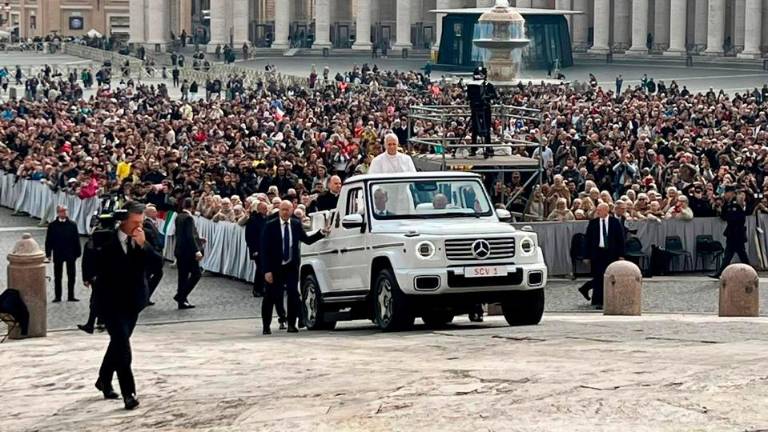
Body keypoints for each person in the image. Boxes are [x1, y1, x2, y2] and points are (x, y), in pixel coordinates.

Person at [93, 201, 162, 410]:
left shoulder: (143, 235)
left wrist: (143, 245)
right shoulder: (105, 237)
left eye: (141, 222)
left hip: (133, 301)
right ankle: (129, 393)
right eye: (134, 222)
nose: (138, 226)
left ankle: (104, 378)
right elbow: (92, 262)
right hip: (110, 300)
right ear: (123, 221)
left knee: (118, 343)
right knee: (122, 344)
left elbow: (157, 265)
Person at [260, 200, 328, 334]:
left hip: (291, 266)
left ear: (292, 210)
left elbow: (306, 240)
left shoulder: (296, 224)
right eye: (283, 210)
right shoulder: (270, 226)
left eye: (288, 210)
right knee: (271, 296)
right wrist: (267, 270)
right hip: (275, 266)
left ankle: (292, 324)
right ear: (279, 211)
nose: (285, 212)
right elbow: (264, 249)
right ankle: (266, 326)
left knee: (293, 294)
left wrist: (321, 233)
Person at [583, 203, 626, 308]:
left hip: (611, 253)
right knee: (598, 277)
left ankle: (610, 298)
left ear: (606, 210)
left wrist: (621, 255)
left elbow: (620, 239)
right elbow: (587, 240)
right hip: (597, 253)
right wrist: (586, 256)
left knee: (611, 276)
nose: (598, 212)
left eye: (600, 210)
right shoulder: (593, 223)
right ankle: (597, 301)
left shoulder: (614, 222)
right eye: (597, 210)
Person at [45, 205, 82, 302]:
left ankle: (71, 295)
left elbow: (76, 239)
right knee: (58, 276)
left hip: (70, 253)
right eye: (62, 211)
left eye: (66, 211)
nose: (64, 213)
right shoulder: (52, 225)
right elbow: (49, 240)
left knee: (71, 276)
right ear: (58, 213)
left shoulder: (72, 224)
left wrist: (78, 252)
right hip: (58, 253)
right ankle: (58, 296)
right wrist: (48, 254)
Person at [710, 187, 749, 278]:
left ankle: (749, 271)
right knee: (731, 254)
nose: (725, 195)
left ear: (731, 193)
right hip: (731, 232)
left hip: (737, 232)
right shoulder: (727, 204)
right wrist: (719, 208)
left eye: (727, 192)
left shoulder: (737, 203)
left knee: (738, 254)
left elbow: (738, 217)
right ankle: (720, 272)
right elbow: (724, 217)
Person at [174, 198, 203, 309]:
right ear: (192, 206)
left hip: (179, 250)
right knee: (196, 274)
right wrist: (197, 250)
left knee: (182, 276)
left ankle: (182, 300)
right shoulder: (189, 218)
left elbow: (182, 234)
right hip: (188, 252)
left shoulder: (178, 216)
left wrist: (198, 239)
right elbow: (189, 236)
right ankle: (181, 296)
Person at [245, 201, 268, 298]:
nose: (266, 210)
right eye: (264, 208)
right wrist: (254, 250)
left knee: (264, 268)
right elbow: (249, 236)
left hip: (265, 249)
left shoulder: (266, 219)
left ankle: (263, 288)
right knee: (260, 269)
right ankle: (257, 289)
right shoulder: (253, 220)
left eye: (266, 208)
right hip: (257, 249)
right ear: (259, 209)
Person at [143, 205, 164, 305]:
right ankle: (145, 296)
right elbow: (151, 238)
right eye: (154, 211)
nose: (156, 213)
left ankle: (145, 296)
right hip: (151, 254)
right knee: (155, 274)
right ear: (149, 213)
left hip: (152, 253)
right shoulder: (147, 224)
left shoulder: (151, 223)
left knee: (150, 275)